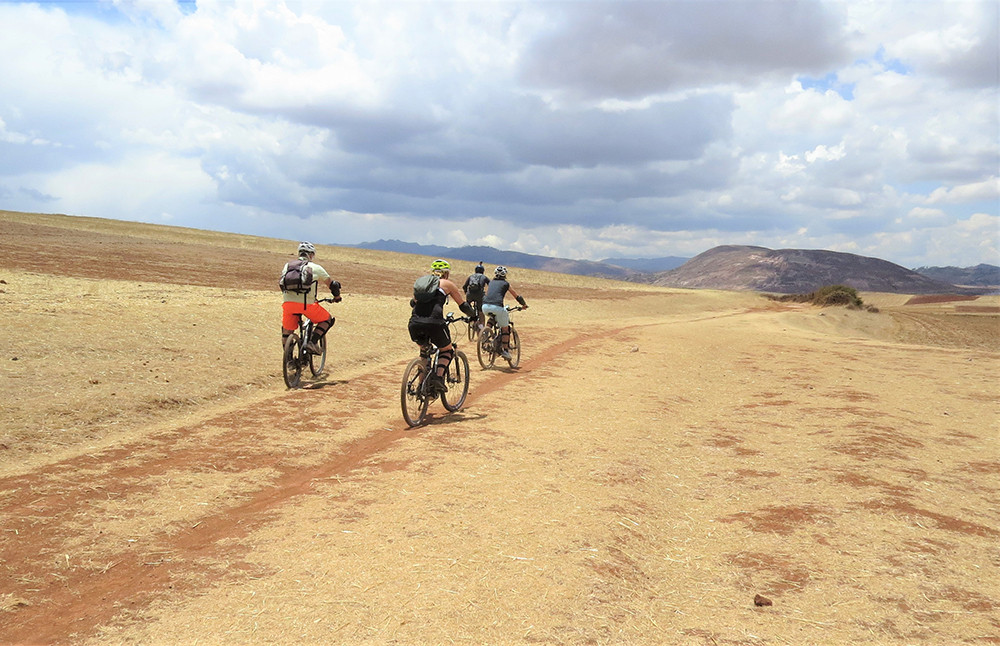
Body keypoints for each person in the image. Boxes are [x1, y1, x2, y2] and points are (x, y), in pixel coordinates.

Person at [408, 259, 477, 394]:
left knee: (424, 353)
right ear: (446, 273)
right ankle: (438, 378)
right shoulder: (447, 284)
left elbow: (413, 303)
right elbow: (463, 305)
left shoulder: (422, 284)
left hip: (414, 323)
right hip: (435, 323)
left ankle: (421, 387)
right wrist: (473, 316)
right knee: (447, 350)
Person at [280, 242, 342, 354]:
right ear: (311, 255)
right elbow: (333, 285)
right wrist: (337, 297)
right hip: (307, 305)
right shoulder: (316, 268)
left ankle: (288, 358)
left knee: (287, 331)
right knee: (327, 319)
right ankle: (312, 343)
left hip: (288, 304)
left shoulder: (287, 266)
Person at [481, 265, 527, 361]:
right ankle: (505, 351)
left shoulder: (491, 282)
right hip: (497, 307)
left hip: (485, 306)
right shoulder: (505, 284)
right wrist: (523, 305)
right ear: (505, 275)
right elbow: (516, 296)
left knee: (492, 318)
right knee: (505, 328)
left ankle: (485, 334)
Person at [462, 262, 490, 328]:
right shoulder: (484, 277)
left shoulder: (471, 276)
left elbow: (464, 286)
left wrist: (467, 293)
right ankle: (482, 326)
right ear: (483, 271)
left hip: (470, 295)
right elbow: (491, 285)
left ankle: (470, 318)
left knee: (468, 307)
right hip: (479, 295)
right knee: (481, 311)